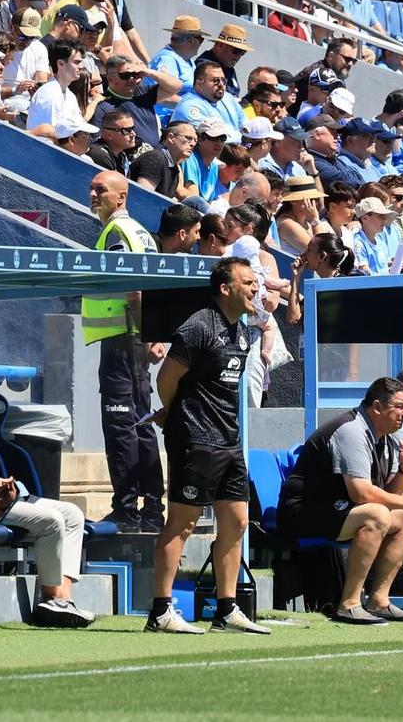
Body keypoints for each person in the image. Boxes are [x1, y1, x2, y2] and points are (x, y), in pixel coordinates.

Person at [147, 257, 269, 635]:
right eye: (248, 282)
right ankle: (161, 611)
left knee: (237, 523)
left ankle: (227, 609)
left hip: (229, 441)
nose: (255, 288)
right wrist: (171, 412)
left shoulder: (244, 332)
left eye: (255, 282)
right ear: (225, 288)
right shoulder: (199, 326)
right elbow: (167, 377)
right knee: (181, 525)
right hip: (194, 439)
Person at [277, 377, 403, 624]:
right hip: (302, 511)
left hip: (339, 510)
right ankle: (349, 604)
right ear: (377, 407)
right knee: (377, 514)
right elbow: (361, 493)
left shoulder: (386, 436)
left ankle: (379, 601)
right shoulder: (351, 430)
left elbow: (386, 493)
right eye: (400, 407)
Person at [86, 171, 163, 533]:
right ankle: (151, 510)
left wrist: (147, 333)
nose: (93, 193)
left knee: (122, 425)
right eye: (92, 188)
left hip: (123, 340)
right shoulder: (141, 232)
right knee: (141, 423)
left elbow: (132, 288)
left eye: (101, 189)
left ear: (122, 197)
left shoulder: (118, 232)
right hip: (134, 338)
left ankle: (128, 510)